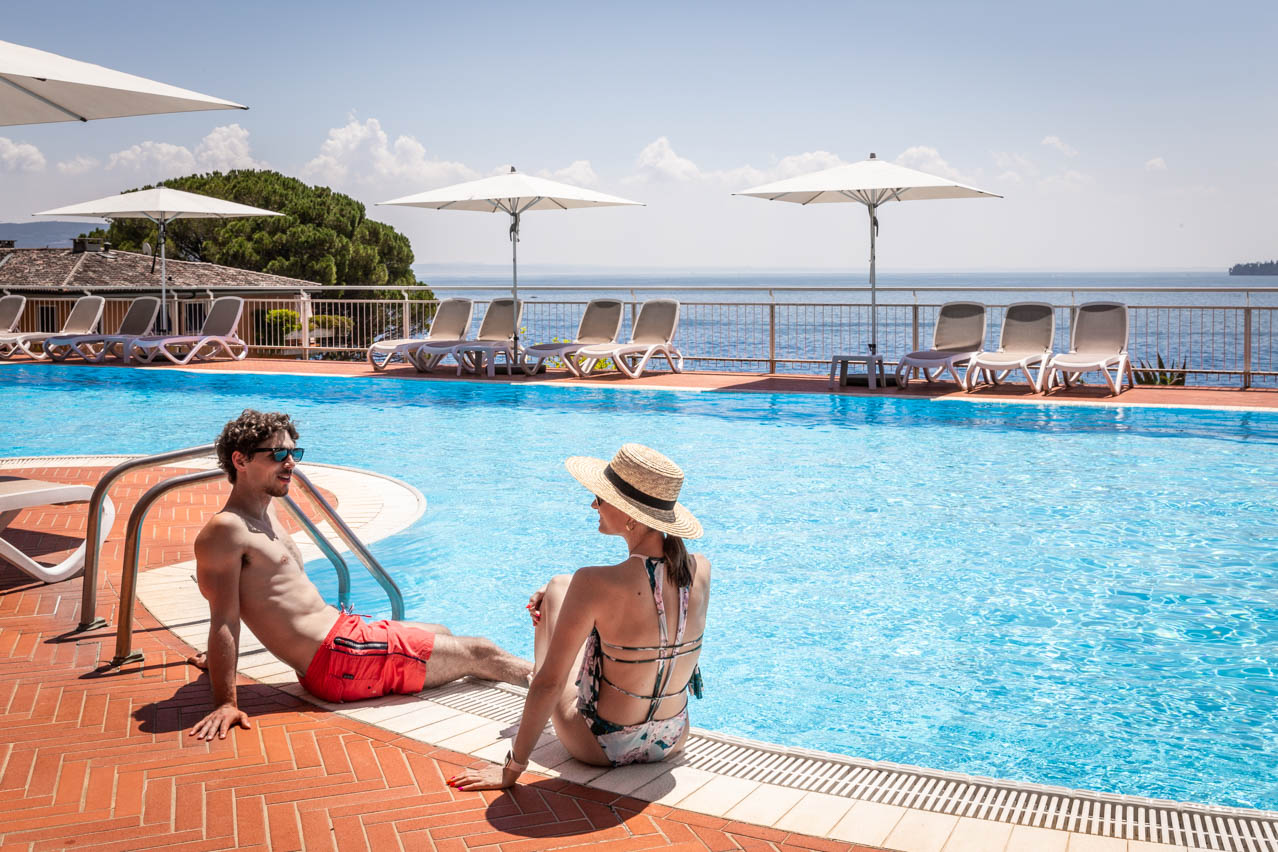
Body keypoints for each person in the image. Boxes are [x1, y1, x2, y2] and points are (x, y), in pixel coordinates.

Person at [188, 409, 531, 741]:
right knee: (481, 652)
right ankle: (565, 690)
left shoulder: (265, 511)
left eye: (295, 453)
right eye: (278, 454)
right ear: (241, 461)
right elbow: (224, 617)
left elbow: (266, 597)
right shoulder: (226, 531)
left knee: (442, 633)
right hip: (339, 660)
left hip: (346, 638)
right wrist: (226, 702)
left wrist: (214, 659)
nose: (290, 464)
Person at [449, 443, 710, 791]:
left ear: (628, 512)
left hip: (601, 747)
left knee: (557, 606)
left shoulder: (593, 581)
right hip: (673, 737)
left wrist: (511, 769)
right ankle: (553, 621)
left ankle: (531, 709)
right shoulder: (700, 568)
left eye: (600, 498)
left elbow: (550, 684)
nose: (593, 505)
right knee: (560, 586)